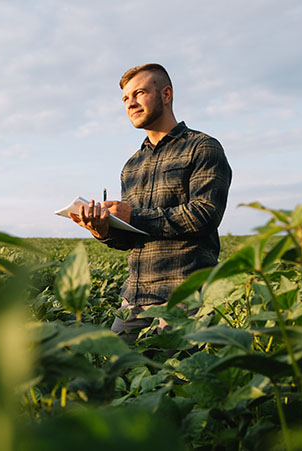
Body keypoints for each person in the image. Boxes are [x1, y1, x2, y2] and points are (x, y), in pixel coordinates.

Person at [69, 63, 232, 337]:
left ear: (166, 95)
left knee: (181, 377)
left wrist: (133, 215)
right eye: (125, 99)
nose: (130, 103)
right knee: (116, 372)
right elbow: (132, 238)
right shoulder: (131, 165)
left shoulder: (202, 147)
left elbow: (205, 214)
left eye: (139, 93)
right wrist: (104, 230)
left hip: (187, 296)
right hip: (134, 300)